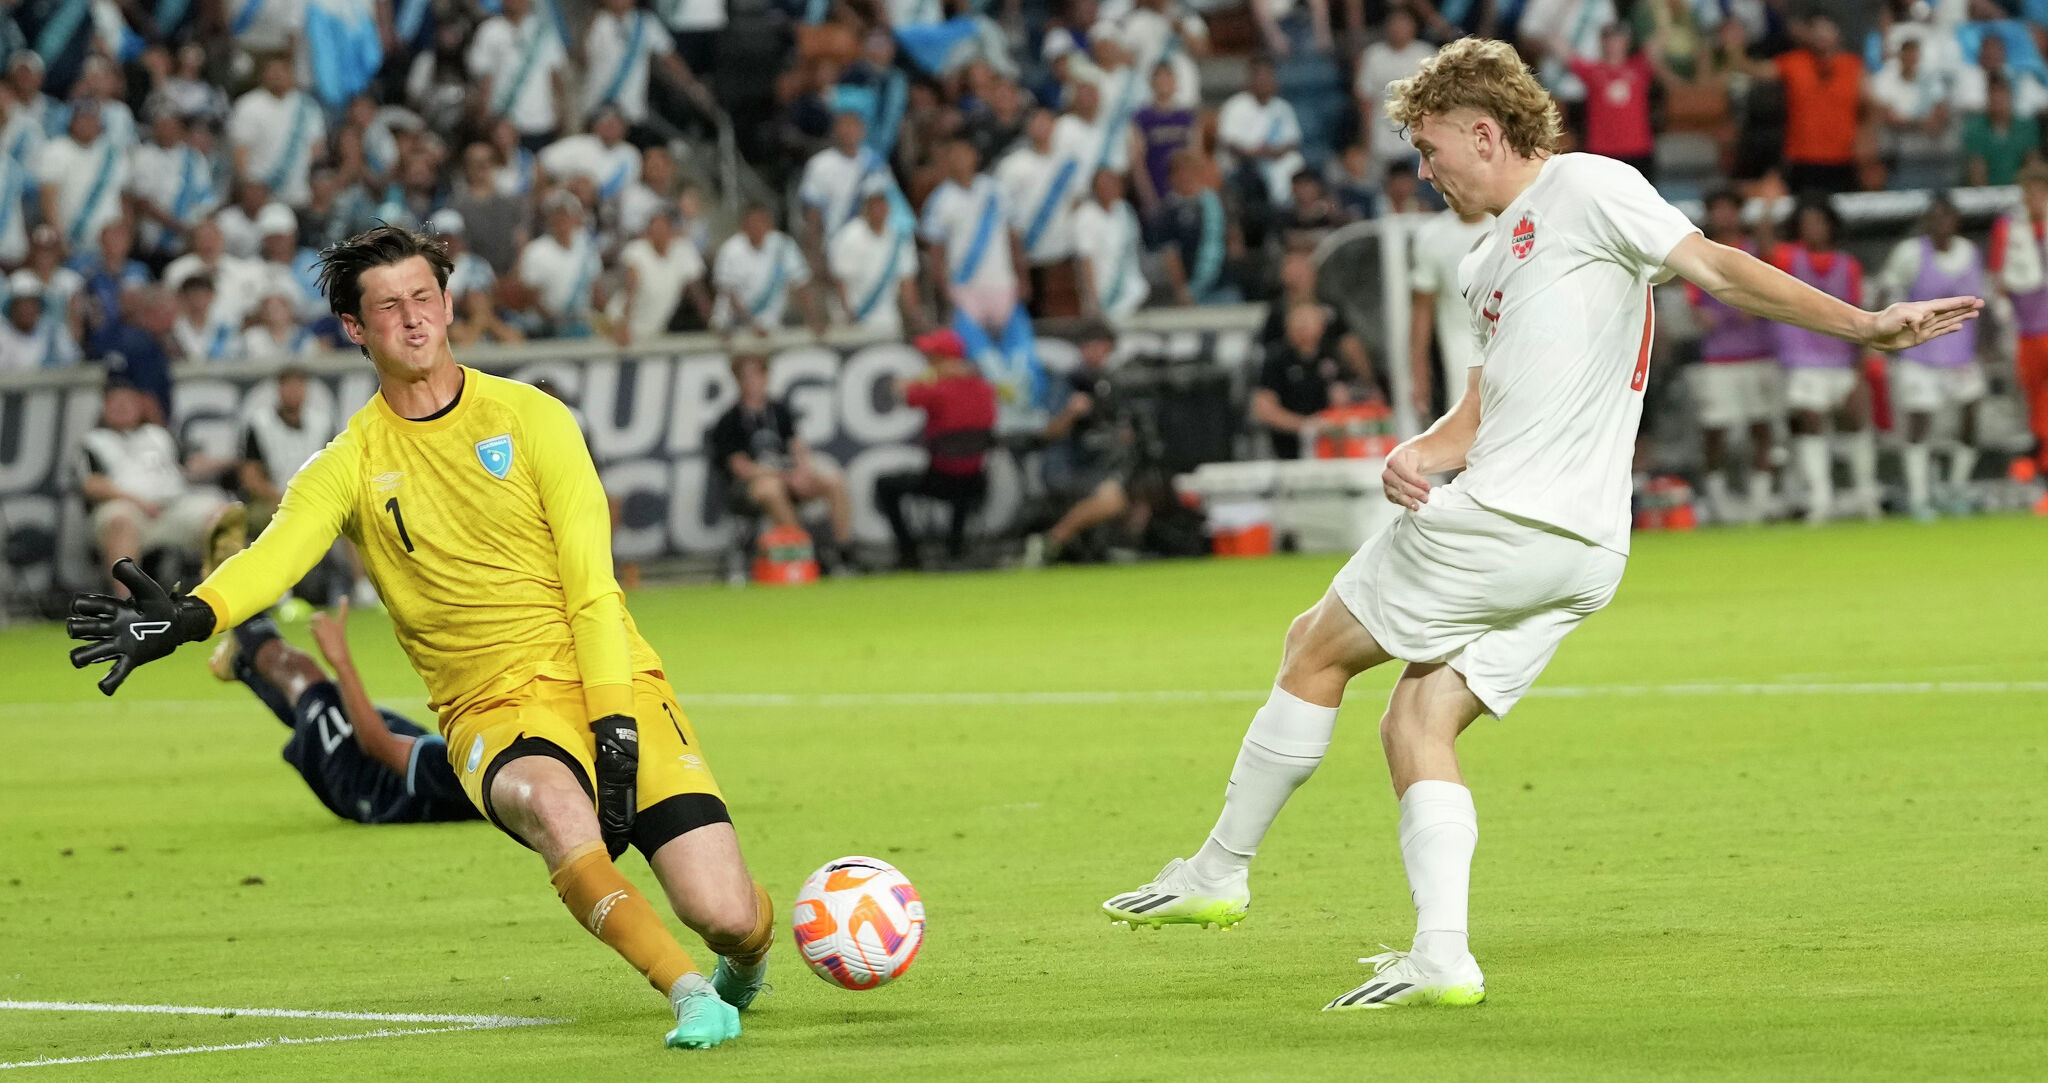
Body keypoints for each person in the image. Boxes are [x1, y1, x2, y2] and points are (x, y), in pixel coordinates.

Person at [1097, 37, 1977, 1011]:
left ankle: (1218, 872)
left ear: (1485, 132)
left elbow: (1715, 267)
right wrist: (1423, 450)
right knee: (1416, 718)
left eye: (1431, 151)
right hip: (1581, 551)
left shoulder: (1589, 187)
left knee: (1311, 648)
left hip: (1511, 522)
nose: (1424, 173)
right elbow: (1480, 410)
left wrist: (1862, 325)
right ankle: (1442, 958)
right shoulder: (1482, 261)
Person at [68, 225, 773, 1050]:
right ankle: (687, 992)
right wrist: (192, 614)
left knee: (723, 911)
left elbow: (593, 586)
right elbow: (275, 558)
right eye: (389, 306)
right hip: (491, 710)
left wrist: (614, 718)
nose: (414, 319)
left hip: (610, 673)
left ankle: (742, 962)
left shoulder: (534, 418)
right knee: (552, 806)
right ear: (354, 329)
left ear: (447, 303)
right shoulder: (348, 462)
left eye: (425, 298)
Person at [202, 519, 478, 824]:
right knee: (322, 701)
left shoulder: (477, 767)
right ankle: (241, 664)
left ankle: (230, 589)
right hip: (403, 763)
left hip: (362, 780)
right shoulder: (510, 752)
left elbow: (378, 745)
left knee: (304, 674)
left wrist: (341, 661)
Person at [1878, 195, 1984, 520]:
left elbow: (1982, 303)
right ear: (1926, 221)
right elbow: (1886, 294)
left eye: (1947, 217)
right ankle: (1920, 498)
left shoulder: (1969, 253)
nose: (1941, 223)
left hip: (1960, 352)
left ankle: (1956, 488)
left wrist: (1982, 343)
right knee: (1919, 423)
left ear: (1956, 220)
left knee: (1971, 418)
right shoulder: (1909, 254)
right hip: (1919, 353)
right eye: (1935, 217)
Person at [1770, 198, 1874, 524]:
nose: (1812, 228)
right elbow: (1758, 256)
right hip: (1802, 360)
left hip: (1841, 359)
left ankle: (1864, 495)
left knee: (1854, 422)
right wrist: (1766, 211)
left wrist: (1860, 367)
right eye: (1807, 222)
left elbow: (1861, 314)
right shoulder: (1787, 257)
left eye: (1819, 221)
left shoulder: (1849, 266)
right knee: (1810, 421)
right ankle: (1820, 499)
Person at [76, 377, 230, 591]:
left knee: (223, 515)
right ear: (105, 407)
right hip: (129, 510)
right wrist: (137, 501)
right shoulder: (95, 441)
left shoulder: (158, 434)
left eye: (127, 403)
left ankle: (223, 596)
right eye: (115, 403)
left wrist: (234, 460)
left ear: (139, 406)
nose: (122, 408)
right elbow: (92, 484)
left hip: (173, 507)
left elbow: (190, 464)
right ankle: (129, 606)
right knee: (119, 521)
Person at [1684, 189, 1780, 524]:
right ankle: (1717, 498)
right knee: (1715, 430)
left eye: (1729, 209)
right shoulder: (1701, 252)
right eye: (1718, 209)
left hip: (1758, 353)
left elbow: (1769, 293)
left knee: (1762, 428)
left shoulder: (1755, 251)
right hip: (1719, 359)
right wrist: (1741, 308)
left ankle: (1760, 501)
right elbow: (1700, 312)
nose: (1724, 216)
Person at [708, 353, 856, 569]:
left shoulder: (779, 410)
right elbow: (740, 467)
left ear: (766, 377)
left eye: (757, 376)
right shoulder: (729, 420)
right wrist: (783, 476)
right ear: (737, 381)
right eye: (745, 377)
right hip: (752, 485)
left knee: (833, 480)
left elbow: (797, 446)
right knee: (771, 489)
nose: (752, 383)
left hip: (788, 474)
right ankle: (807, 554)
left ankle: (843, 551)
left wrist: (803, 471)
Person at [873, 329, 997, 570]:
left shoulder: (937, 390)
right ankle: (955, 549)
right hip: (976, 483)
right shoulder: (984, 388)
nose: (928, 361)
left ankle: (909, 554)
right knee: (964, 472)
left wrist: (928, 376)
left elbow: (901, 391)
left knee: (886, 485)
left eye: (932, 357)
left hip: (940, 481)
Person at [1021, 323, 1138, 568]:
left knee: (1142, 490)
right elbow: (1048, 432)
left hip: (1101, 462)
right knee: (1112, 498)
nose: (1099, 354)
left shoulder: (1109, 382)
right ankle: (1051, 541)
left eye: (1105, 349)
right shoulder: (1068, 382)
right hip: (1065, 464)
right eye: (1094, 347)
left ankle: (1113, 546)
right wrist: (1070, 413)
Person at [1734, 14, 1864, 194]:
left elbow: (1869, 103)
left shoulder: (1853, 65)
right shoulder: (1793, 61)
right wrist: (1735, 46)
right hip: (1802, 157)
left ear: (1838, 33)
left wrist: (1867, 135)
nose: (1822, 35)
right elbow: (1757, 71)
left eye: (1828, 29)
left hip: (1844, 156)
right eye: (1817, 29)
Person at [1407, 205, 1494, 424]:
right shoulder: (1433, 236)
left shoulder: (1507, 224)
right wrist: (1418, 372)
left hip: (1514, 347)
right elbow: (1422, 308)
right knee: (1469, 432)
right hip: (1462, 357)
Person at [1991, 159, 2048, 493]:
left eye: (2041, 190)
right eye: (2029, 191)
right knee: (2032, 398)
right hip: (2025, 329)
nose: (2035, 197)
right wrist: (2004, 320)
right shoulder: (2008, 228)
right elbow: (1998, 279)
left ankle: (2039, 469)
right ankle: (2036, 466)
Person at [996, 108, 1083, 318]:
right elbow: (1003, 212)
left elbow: (1077, 200)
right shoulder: (1012, 165)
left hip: (1063, 252)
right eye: (1037, 122)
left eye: (1047, 122)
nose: (1043, 127)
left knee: (1065, 311)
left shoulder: (1069, 163)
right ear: (1028, 127)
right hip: (1027, 254)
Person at [1255, 302, 1358, 459]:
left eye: (1308, 322)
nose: (1303, 328)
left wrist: (1342, 408)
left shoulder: (1331, 357)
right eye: (1298, 322)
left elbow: (1348, 400)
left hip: (1328, 448)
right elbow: (1263, 409)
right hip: (1289, 449)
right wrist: (1305, 425)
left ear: (1321, 326)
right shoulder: (1277, 360)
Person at [469, 0, 572, 148]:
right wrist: (484, 116)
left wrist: (562, 113)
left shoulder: (544, 30)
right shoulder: (489, 30)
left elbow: (555, 75)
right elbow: (484, 78)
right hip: (501, 122)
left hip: (540, 121)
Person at [712, 203, 824, 337]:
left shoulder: (783, 246)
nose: (758, 227)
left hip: (771, 327)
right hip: (733, 326)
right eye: (753, 223)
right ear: (743, 227)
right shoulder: (731, 250)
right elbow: (730, 295)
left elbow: (801, 285)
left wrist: (813, 319)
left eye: (762, 222)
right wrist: (752, 325)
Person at [228, 56, 327, 207]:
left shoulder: (308, 107)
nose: (278, 76)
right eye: (273, 71)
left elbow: (317, 150)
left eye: (283, 71)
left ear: (291, 74)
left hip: (299, 195)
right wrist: (248, 189)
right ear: (263, 75)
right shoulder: (248, 105)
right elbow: (240, 152)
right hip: (260, 196)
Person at [829, 186, 923, 338]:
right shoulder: (849, 236)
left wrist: (914, 315)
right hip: (855, 319)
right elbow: (841, 281)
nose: (878, 209)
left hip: (888, 319)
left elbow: (907, 281)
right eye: (873, 204)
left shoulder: (900, 237)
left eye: (882, 204)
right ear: (866, 207)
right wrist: (849, 313)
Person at [1154, 148, 1242, 307]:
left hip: (1224, 287)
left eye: (1189, 171)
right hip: (1192, 292)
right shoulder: (1169, 211)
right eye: (1179, 172)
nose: (1185, 176)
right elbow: (1170, 255)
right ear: (1171, 177)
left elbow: (1233, 239)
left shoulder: (1216, 202)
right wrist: (1182, 290)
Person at [36, 101, 127, 254]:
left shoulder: (113, 154)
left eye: (92, 119)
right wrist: (59, 239)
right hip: (70, 242)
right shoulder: (56, 149)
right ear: (72, 121)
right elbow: (47, 198)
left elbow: (123, 198)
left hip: (108, 246)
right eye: (82, 119)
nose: (87, 124)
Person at [1354, 6, 1433, 173]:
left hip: (1416, 140)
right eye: (1394, 23)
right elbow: (1365, 100)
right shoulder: (1373, 55)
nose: (1398, 28)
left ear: (1414, 27)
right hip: (1381, 139)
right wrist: (1366, 140)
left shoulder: (1426, 54)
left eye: (1403, 23)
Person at [1217, 57, 1304, 209]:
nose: (1264, 81)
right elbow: (1231, 145)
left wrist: (1272, 152)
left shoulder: (1282, 107)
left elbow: (1293, 142)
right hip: (1245, 168)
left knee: (1297, 166)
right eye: (1260, 76)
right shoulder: (1236, 105)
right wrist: (1260, 153)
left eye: (1268, 76)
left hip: (1276, 162)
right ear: (1251, 79)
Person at [611, 209, 709, 344]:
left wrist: (713, 321)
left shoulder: (683, 251)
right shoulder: (637, 250)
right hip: (620, 326)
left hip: (654, 331)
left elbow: (697, 293)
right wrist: (623, 325)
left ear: (672, 231)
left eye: (663, 227)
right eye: (654, 228)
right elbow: (630, 289)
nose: (658, 232)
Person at [516, 191, 604, 338]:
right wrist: (558, 322)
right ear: (549, 219)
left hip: (583, 326)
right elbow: (530, 296)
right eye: (557, 214)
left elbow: (594, 288)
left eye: (567, 214)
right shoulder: (536, 251)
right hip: (546, 329)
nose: (562, 219)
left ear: (577, 218)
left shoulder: (587, 249)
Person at [1071, 168, 1149, 324]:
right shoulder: (1085, 216)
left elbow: (1133, 251)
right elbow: (1085, 262)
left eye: (1113, 184)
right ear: (1095, 189)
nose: (1109, 188)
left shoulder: (1125, 211)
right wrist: (1093, 302)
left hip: (1135, 293)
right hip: (1106, 298)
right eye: (1103, 185)